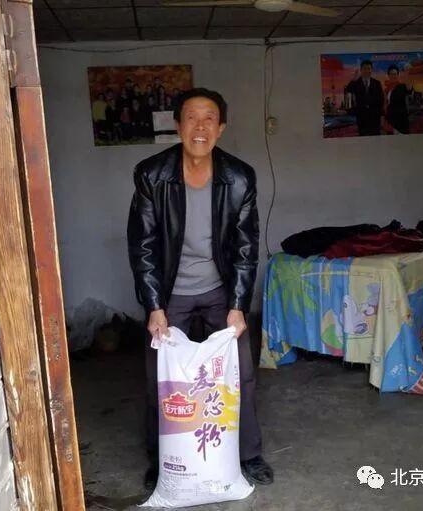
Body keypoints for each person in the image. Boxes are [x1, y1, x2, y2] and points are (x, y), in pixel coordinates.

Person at [127, 88, 274, 491]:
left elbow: (245, 247)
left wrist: (238, 305)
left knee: (239, 375)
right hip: (169, 293)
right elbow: (142, 245)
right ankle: (163, 459)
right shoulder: (152, 175)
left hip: (219, 291)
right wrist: (154, 307)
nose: (200, 127)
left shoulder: (239, 178)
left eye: (210, 118)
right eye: (191, 117)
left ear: (221, 127)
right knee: (164, 380)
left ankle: (248, 454)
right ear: (177, 125)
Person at [344, 60, 383, 136]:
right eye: (364, 68)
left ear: (372, 70)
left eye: (369, 68)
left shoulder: (377, 83)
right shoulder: (356, 82)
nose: (367, 71)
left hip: (375, 117)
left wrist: (380, 114)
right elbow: (348, 91)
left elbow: (380, 100)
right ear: (361, 70)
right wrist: (353, 80)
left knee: (375, 137)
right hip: (361, 116)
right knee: (363, 137)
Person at [384, 64, 411, 134]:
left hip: (401, 121)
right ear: (388, 75)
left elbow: (409, 89)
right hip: (390, 121)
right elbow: (385, 105)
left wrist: (407, 73)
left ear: (398, 75)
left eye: (395, 74)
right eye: (391, 74)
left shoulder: (402, 86)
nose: (393, 76)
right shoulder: (386, 89)